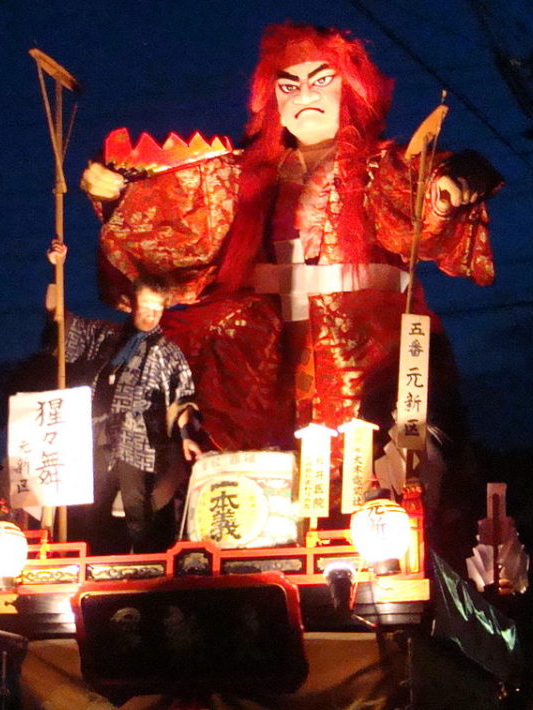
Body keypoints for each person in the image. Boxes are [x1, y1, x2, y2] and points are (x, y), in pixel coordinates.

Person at [81, 23, 501, 548]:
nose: (304, 94)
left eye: (320, 80)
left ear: (350, 90)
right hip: (265, 346)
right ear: (269, 99)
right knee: (204, 420)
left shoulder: (379, 168)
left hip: (365, 345)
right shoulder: (241, 175)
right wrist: (122, 194)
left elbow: (419, 202)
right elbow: (177, 225)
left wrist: (452, 185)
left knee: (385, 454)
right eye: (288, 84)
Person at [45, 241, 202, 553]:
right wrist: (57, 268)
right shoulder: (106, 337)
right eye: (145, 307)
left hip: (138, 440)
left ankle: (145, 570)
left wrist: (186, 436)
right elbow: (60, 318)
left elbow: (183, 397)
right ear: (132, 304)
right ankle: (97, 565)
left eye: (157, 309)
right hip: (96, 433)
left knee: (138, 511)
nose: (150, 315)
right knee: (92, 509)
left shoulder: (166, 352)